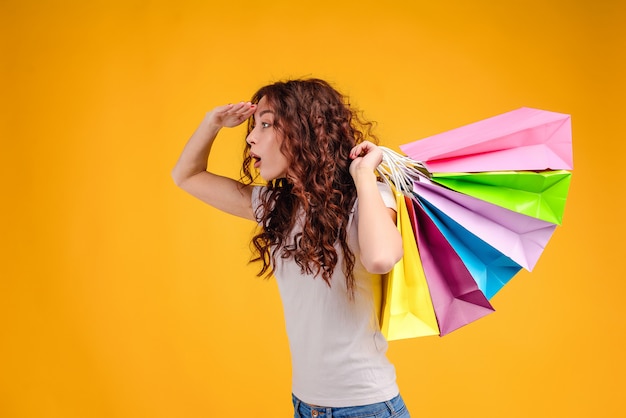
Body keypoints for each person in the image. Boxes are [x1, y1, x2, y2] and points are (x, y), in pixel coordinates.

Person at [172, 78, 411, 417]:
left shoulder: (367, 197)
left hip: (364, 406)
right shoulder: (279, 207)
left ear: (305, 131)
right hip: (305, 404)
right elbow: (187, 176)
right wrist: (212, 123)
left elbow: (381, 258)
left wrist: (362, 175)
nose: (251, 137)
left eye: (266, 124)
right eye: (254, 127)